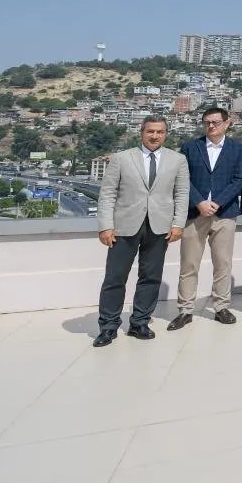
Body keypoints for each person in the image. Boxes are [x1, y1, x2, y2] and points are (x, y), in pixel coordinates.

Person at [92, 116, 189, 346]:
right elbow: (107, 194)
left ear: (166, 134)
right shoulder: (121, 158)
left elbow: (181, 194)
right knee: (115, 277)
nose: (155, 136)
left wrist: (178, 224)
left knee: (151, 276)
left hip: (160, 226)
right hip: (124, 226)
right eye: (150, 132)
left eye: (160, 132)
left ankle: (140, 322)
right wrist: (105, 226)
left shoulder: (178, 160)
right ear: (141, 132)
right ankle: (108, 326)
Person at [172, 105, 242, 330]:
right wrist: (199, 202)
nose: (211, 126)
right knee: (189, 263)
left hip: (224, 213)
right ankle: (185, 309)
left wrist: (218, 202)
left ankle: (221, 307)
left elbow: (240, 178)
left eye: (215, 122)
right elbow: (183, 178)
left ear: (227, 124)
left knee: (222, 263)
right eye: (207, 122)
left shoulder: (238, 148)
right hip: (195, 213)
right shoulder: (190, 147)